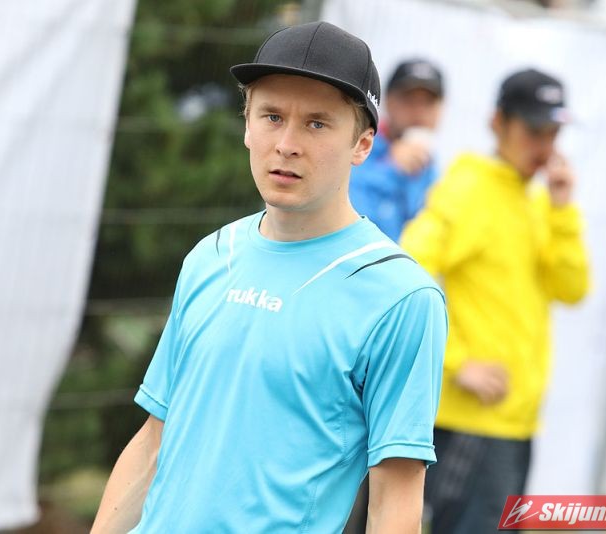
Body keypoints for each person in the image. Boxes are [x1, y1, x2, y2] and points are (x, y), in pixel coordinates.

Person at [91, 21, 448, 533]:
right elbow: (153, 441)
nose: (286, 144)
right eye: (272, 116)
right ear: (246, 125)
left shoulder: (401, 296)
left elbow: (394, 499)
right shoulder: (212, 255)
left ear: (363, 144)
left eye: (317, 124)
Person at [400, 68, 591, 534]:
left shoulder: (539, 200)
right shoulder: (469, 189)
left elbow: (572, 289)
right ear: (497, 123)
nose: (543, 145)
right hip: (472, 424)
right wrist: (453, 361)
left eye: (552, 132)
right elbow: (402, 275)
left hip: (517, 422)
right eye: (533, 130)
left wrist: (563, 211)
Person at [349, 59, 445, 242]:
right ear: (388, 102)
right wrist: (392, 169)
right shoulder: (359, 147)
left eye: (428, 103)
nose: (419, 112)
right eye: (409, 101)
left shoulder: (434, 170)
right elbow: (351, 221)